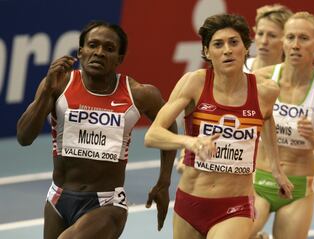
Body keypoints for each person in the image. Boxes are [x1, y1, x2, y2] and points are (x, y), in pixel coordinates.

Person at [16, 20, 177, 239]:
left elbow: (169, 125)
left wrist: (164, 182)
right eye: (93, 45)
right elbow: (24, 137)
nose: (99, 52)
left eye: (109, 49)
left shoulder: (139, 94)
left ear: (119, 59)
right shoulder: (59, 85)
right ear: (81, 52)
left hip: (107, 203)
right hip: (58, 198)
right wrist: (46, 93)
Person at [144, 13, 293, 239]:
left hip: (235, 205)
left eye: (234, 42)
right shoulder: (194, 82)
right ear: (207, 52)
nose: (227, 50)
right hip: (190, 203)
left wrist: (276, 168)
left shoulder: (266, 91)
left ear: (245, 48)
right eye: (218, 44)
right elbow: (152, 135)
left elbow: (267, 118)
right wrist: (190, 141)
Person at [250, 12, 314, 239]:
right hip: (258, 181)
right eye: (290, 37)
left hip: (299, 188)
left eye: (304, 38)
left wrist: (313, 136)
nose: (295, 45)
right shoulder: (260, 78)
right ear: (283, 41)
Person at [244, 4, 292, 72]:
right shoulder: (239, 68)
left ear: (286, 40)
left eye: (272, 35)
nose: (264, 41)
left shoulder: (290, 77)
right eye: (260, 34)